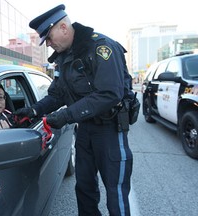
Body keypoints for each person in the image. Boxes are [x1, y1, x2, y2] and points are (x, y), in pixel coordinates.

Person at [14, 4, 134, 216]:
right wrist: (33, 111)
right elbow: (56, 95)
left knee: (116, 197)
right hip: (85, 131)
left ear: (63, 27)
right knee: (85, 190)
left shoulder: (101, 47)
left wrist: (65, 116)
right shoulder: (63, 58)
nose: (48, 44)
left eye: (49, 38)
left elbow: (109, 94)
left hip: (110, 132)